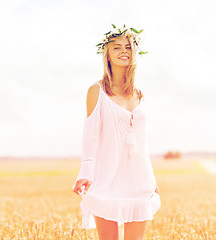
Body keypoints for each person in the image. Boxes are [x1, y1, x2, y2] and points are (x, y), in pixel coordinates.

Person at [73, 24, 160, 240]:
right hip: (106, 179)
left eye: (128, 47)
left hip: (138, 182)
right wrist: (85, 173)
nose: (124, 51)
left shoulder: (140, 95)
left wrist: (152, 180)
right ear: (108, 55)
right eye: (117, 47)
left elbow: (142, 144)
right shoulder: (97, 91)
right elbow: (90, 137)